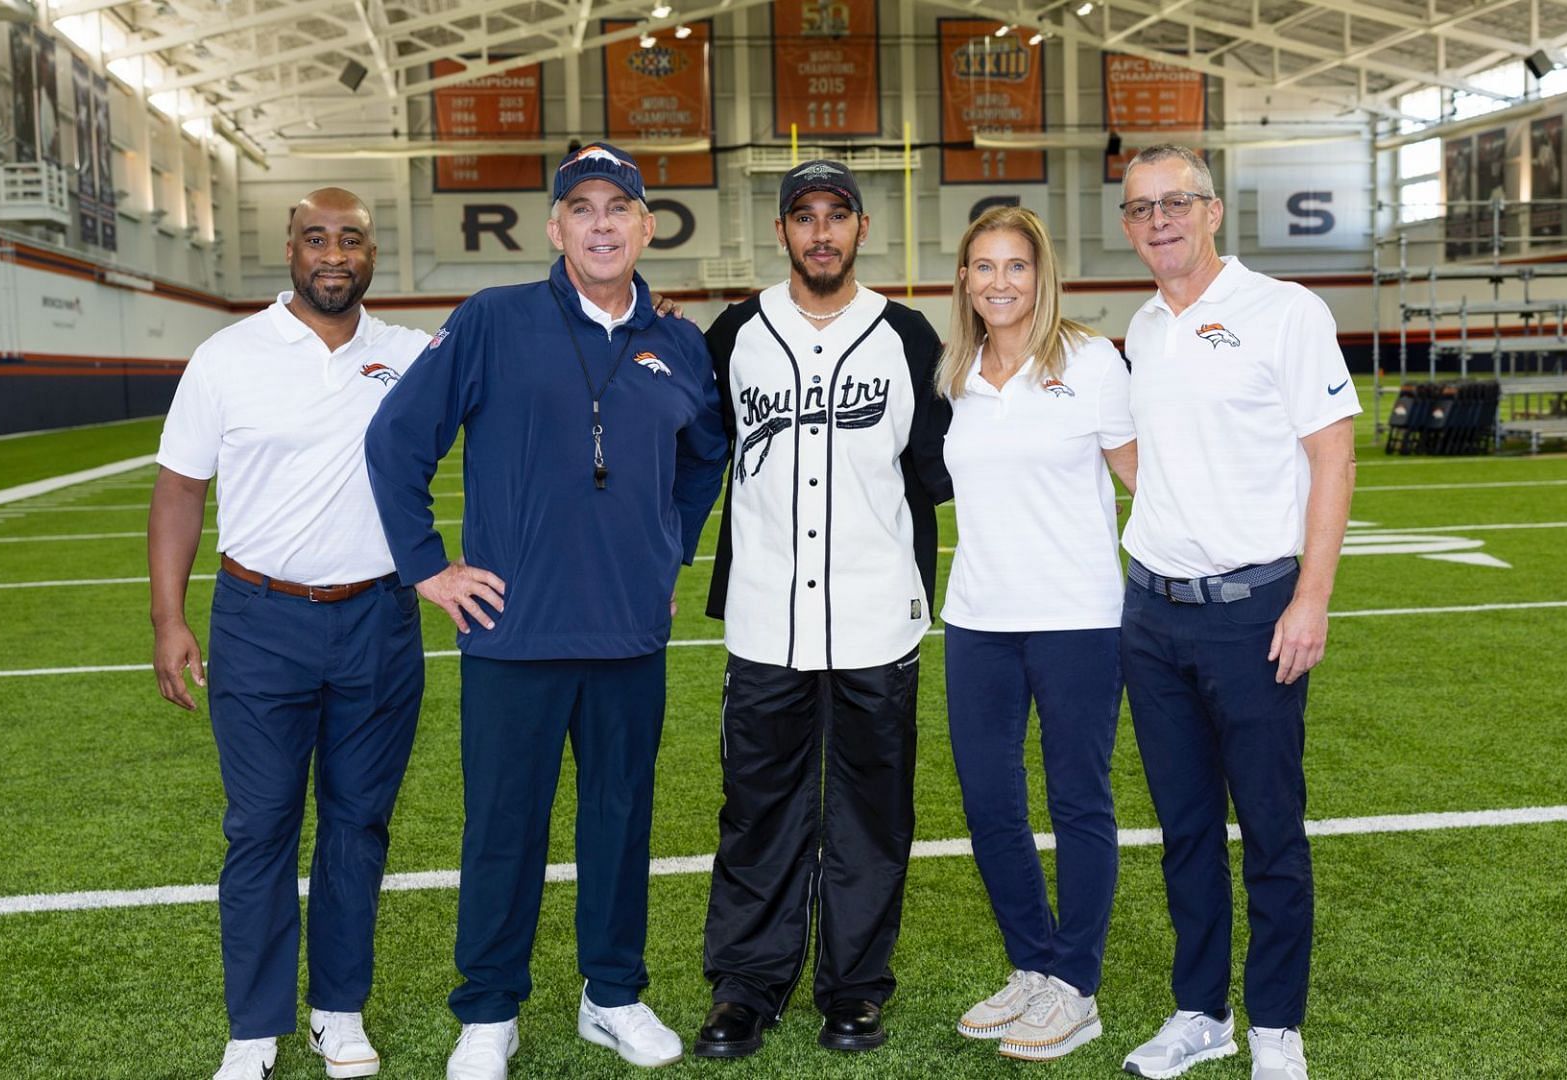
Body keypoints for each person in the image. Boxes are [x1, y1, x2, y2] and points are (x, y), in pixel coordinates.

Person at [362, 142, 729, 1080]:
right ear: (556, 226)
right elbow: (397, 439)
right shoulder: (492, 320)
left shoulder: (679, 343)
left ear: (649, 226)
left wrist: (668, 549)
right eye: (584, 209)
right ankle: (488, 1012)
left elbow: (704, 458)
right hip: (511, 634)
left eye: (620, 209)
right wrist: (428, 570)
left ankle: (613, 994)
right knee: (502, 830)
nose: (602, 224)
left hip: (627, 634)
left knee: (620, 819)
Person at [148, 187, 430, 1080]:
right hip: (260, 619)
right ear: (290, 248)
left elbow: (522, 361)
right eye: (317, 238)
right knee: (261, 825)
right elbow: (181, 490)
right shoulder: (227, 355)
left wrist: (638, 306)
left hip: (379, 620)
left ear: (373, 251)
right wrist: (167, 618)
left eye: (351, 238)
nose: (334, 254)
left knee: (358, 824)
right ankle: (255, 1027)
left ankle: (336, 1013)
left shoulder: (413, 354)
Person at [690, 159, 951, 1060]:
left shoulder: (910, 337)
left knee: (871, 815)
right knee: (758, 809)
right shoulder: (733, 335)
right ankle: (746, 987)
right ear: (782, 233)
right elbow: (690, 455)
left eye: (837, 215)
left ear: (862, 229)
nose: (821, 232)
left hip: (880, 616)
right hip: (766, 615)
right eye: (804, 216)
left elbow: (935, 474)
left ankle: (855, 988)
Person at [1111, 145, 1358, 1080]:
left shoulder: (1285, 312)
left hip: (1254, 612)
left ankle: (1278, 1028)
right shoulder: (1143, 323)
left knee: (1269, 828)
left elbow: (1333, 459)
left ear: (1213, 211)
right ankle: (1199, 1012)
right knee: (1182, 831)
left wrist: (1310, 598)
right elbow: (1150, 454)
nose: (1159, 220)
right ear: (1129, 226)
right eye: (1141, 209)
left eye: (1177, 203)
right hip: (1152, 612)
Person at [937, 206, 1138, 1063]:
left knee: (1078, 800)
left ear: (1041, 272)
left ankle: (1075, 987)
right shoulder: (958, 372)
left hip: (1078, 619)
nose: (999, 283)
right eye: (983, 268)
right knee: (989, 803)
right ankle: (1031, 965)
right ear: (965, 281)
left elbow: (1146, 484)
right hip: (977, 619)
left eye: (1015, 266)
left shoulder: (1092, 362)